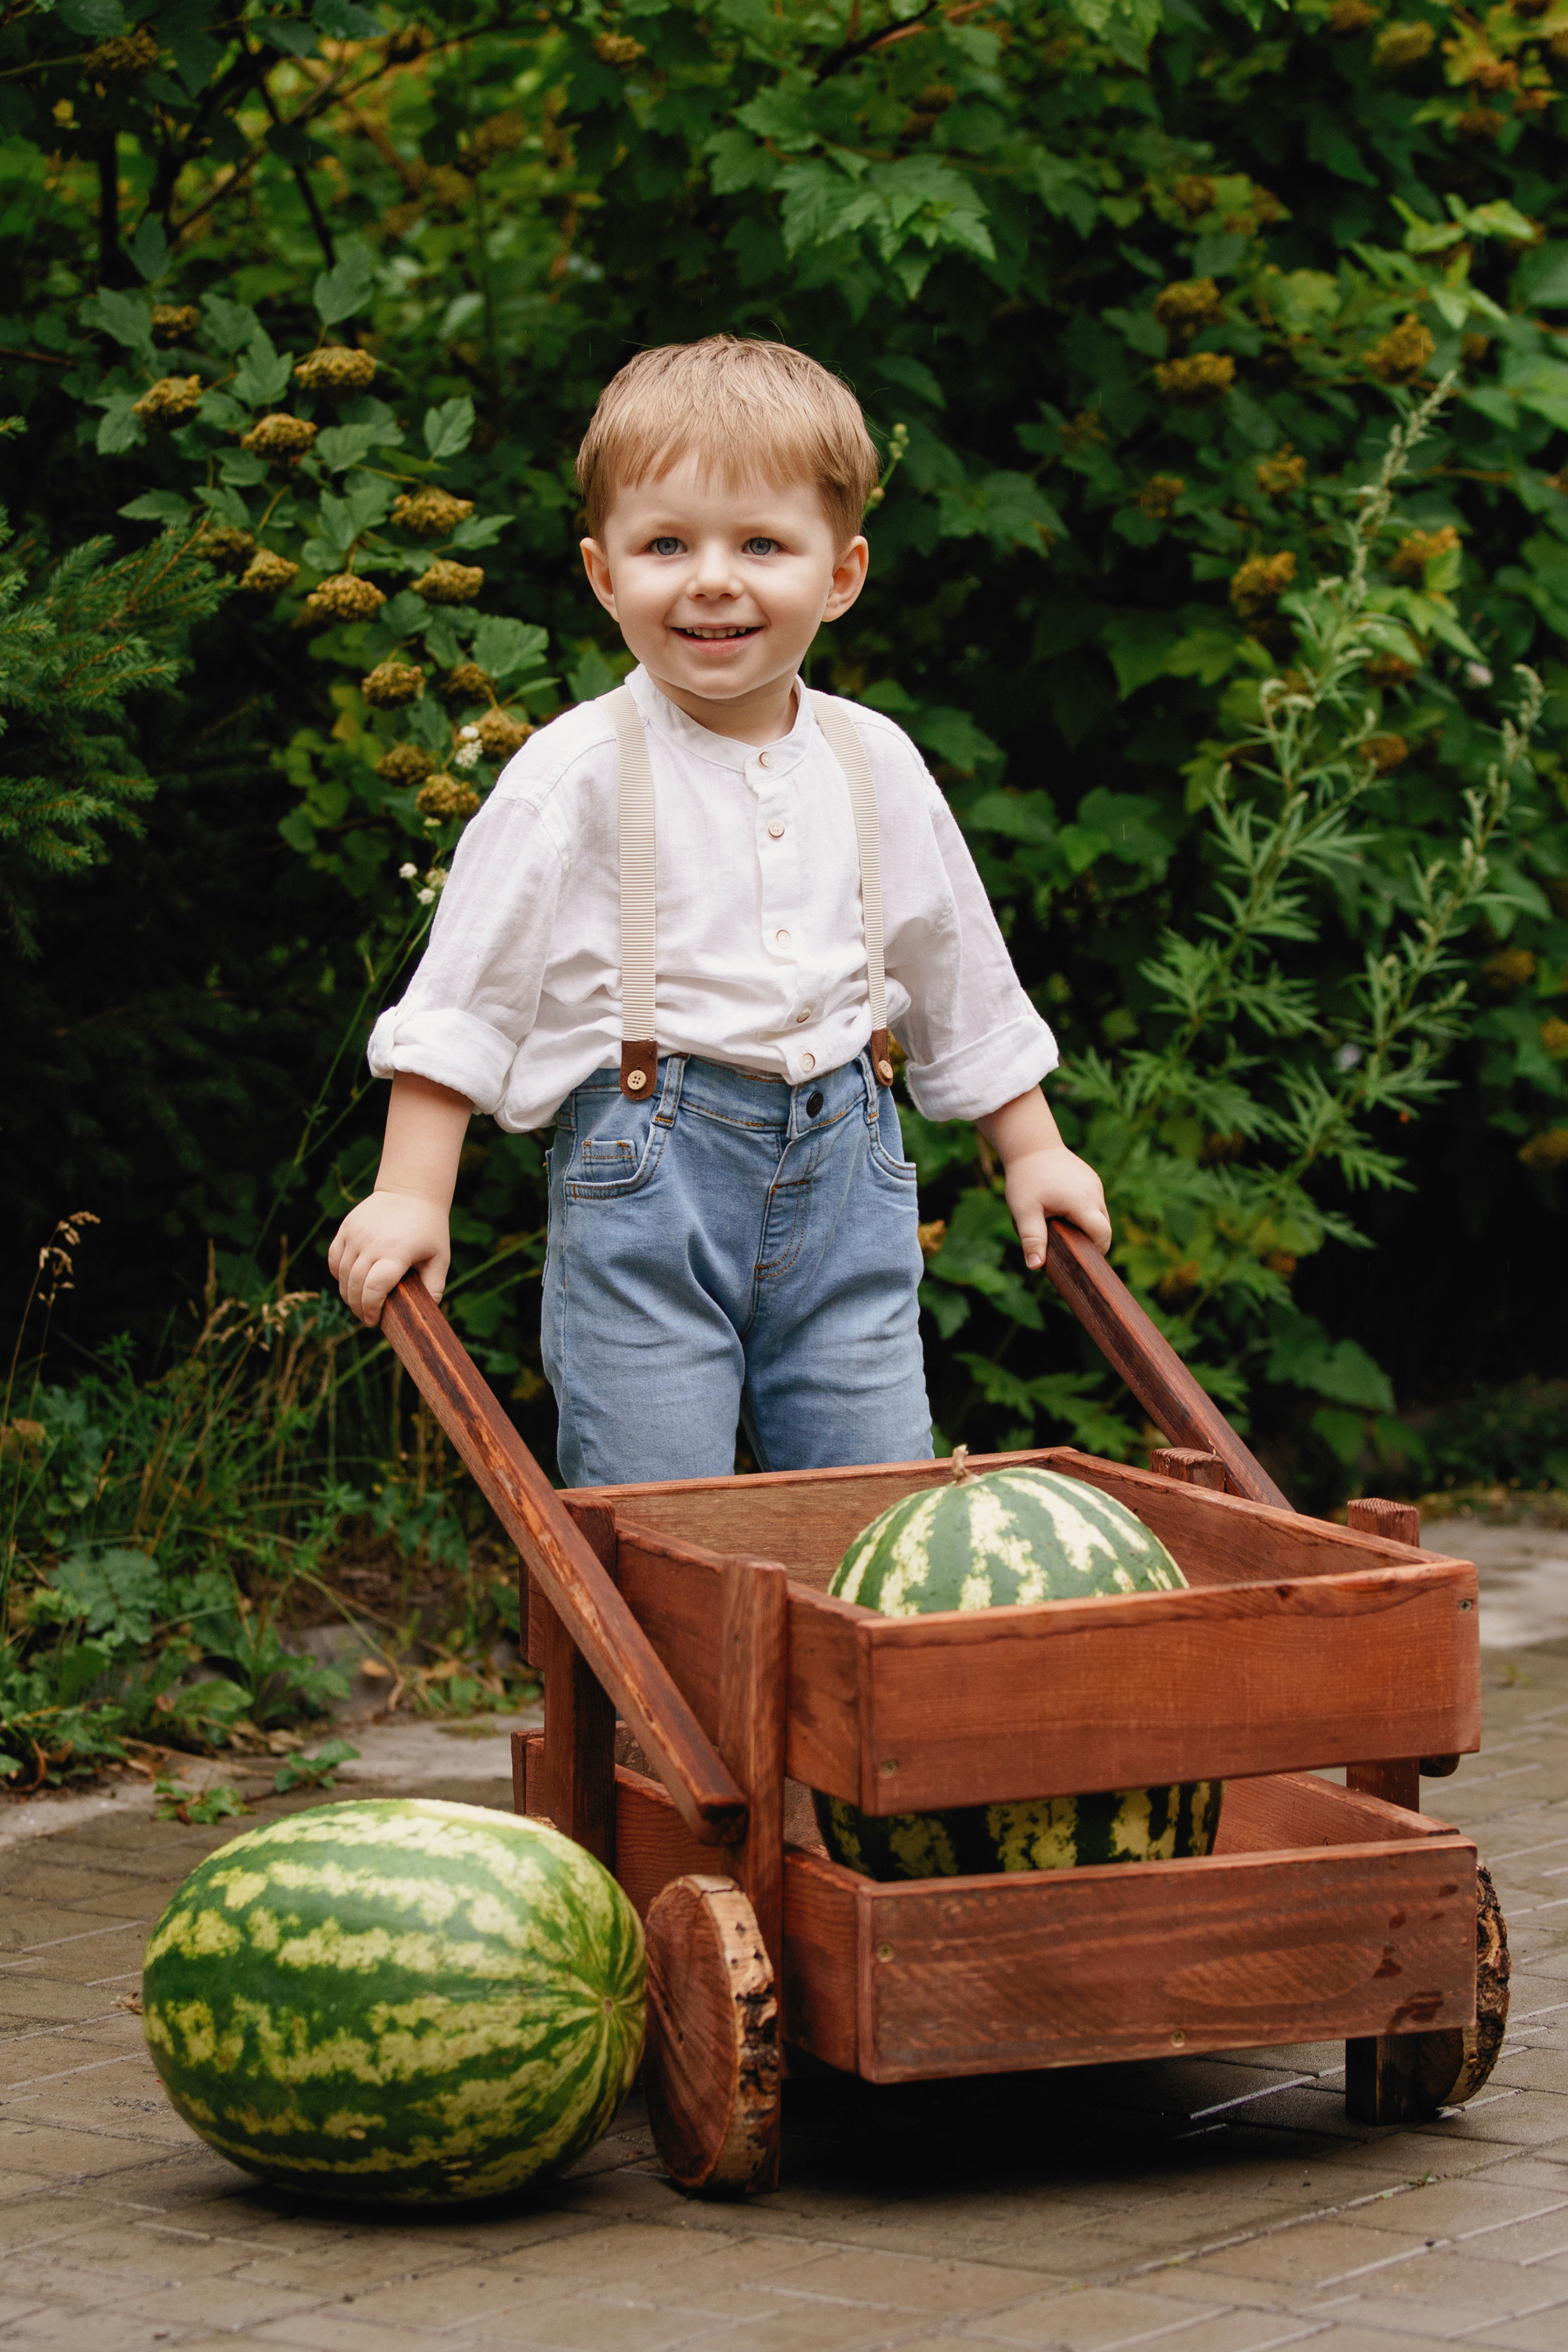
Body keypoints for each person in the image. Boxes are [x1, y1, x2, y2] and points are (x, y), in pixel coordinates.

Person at [328, 337, 1110, 1486]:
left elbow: (957, 972)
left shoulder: (874, 760)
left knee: (872, 1499)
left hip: (853, 1183)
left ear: (839, 575)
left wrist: (1031, 1147)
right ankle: (653, 1668)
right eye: (665, 544)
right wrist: (411, 1194)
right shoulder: (575, 772)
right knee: (658, 1513)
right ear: (603, 573)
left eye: (760, 544)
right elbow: (464, 1001)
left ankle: (853, 1659)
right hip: (650, 1187)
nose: (711, 578)